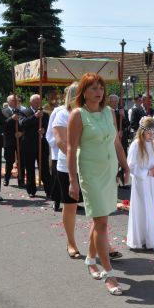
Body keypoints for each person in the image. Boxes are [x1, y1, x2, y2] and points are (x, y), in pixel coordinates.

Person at [67, 73, 129, 295]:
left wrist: (126, 166)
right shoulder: (78, 114)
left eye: (100, 87)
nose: (98, 91)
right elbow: (71, 149)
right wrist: (73, 180)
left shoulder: (109, 112)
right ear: (83, 92)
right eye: (93, 88)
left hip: (109, 171)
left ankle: (90, 260)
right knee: (101, 221)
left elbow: (116, 141)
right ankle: (109, 273)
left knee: (100, 218)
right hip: (90, 172)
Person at [53, 82, 89, 263]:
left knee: (96, 207)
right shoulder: (62, 114)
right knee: (71, 206)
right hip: (68, 168)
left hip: (90, 167)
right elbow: (61, 143)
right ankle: (71, 243)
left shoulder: (89, 113)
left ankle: (103, 244)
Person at [126, 116, 154, 251]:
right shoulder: (136, 144)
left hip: (151, 182)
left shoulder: (153, 143)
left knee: (150, 209)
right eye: (149, 132)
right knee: (144, 209)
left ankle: (145, 238)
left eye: (153, 133)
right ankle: (152, 242)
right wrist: (146, 173)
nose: (151, 135)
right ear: (142, 131)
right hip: (141, 182)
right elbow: (131, 166)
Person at [21, 94, 52, 198]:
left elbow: (49, 128)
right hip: (28, 145)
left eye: (40, 102)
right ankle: (31, 190)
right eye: (36, 102)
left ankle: (49, 190)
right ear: (31, 103)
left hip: (41, 145)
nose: (39, 104)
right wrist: (35, 117)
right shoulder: (24, 112)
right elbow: (23, 124)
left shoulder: (46, 115)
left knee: (45, 169)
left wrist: (44, 131)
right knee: (30, 169)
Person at [2, 95, 25, 188]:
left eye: (17, 100)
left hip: (20, 140)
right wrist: (12, 118)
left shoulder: (21, 112)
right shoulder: (4, 112)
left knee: (21, 161)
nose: (16, 101)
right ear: (8, 101)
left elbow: (25, 125)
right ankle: (6, 178)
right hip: (9, 140)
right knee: (9, 161)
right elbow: (3, 125)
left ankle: (21, 180)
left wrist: (22, 133)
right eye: (13, 100)